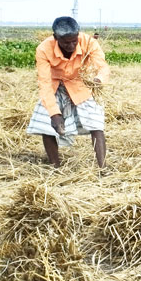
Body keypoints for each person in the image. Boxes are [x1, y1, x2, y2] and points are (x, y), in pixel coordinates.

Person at [26, 16, 109, 168]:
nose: (71, 45)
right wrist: (54, 113)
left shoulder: (89, 42)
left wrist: (98, 80)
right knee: (47, 125)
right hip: (55, 85)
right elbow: (44, 83)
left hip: (80, 84)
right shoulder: (44, 49)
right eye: (66, 43)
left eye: (74, 41)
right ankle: (55, 167)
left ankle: (103, 168)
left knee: (96, 123)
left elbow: (102, 67)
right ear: (56, 37)